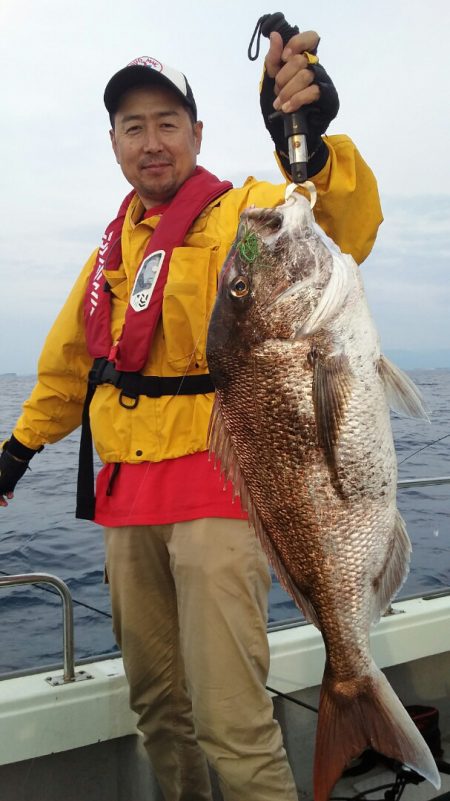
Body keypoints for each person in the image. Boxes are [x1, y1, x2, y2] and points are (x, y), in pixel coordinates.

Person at [0, 27, 383, 801]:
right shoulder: (112, 253)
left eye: (168, 123)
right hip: (126, 510)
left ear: (197, 133)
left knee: (230, 724)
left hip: (219, 497)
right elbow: (71, 365)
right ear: (112, 142)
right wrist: (17, 450)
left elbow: (339, 228)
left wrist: (306, 140)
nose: (151, 141)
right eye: (134, 126)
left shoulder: (244, 221)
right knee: (158, 711)